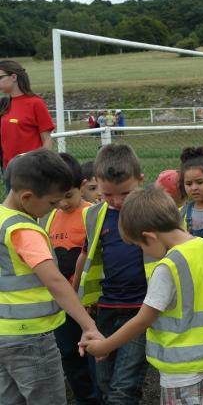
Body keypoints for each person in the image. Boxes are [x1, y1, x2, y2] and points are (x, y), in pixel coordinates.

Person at [82, 187, 203, 405]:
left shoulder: (168, 267)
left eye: (140, 246)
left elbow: (143, 320)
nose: (145, 252)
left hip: (181, 370)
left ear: (149, 237)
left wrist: (104, 346)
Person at [0, 149, 103, 405]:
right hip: (32, 338)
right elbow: (55, 281)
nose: (56, 208)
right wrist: (89, 326)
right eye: (51, 203)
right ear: (27, 197)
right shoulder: (24, 229)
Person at [73, 144, 150, 405]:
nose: (117, 201)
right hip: (105, 308)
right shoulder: (94, 215)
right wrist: (78, 296)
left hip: (141, 311)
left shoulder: (152, 213)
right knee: (105, 382)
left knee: (124, 386)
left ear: (141, 180)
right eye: (108, 194)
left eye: (125, 193)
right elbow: (87, 255)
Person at [40, 153, 99, 405]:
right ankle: (83, 396)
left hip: (88, 302)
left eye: (69, 195)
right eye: (57, 198)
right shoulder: (50, 217)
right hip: (62, 302)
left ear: (82, 187)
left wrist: (91, 295)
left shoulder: (92, 214)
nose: (63, 203)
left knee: (94, 353)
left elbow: (95, 258)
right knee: (67, 351)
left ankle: (99, 397)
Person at [0, 60, 55, 170]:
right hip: (9, 168)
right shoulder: (5, 104)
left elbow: (47, 140)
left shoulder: (35, 103)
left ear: (14, 77)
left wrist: (42, 165)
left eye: (0, 77)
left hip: (31, 169)